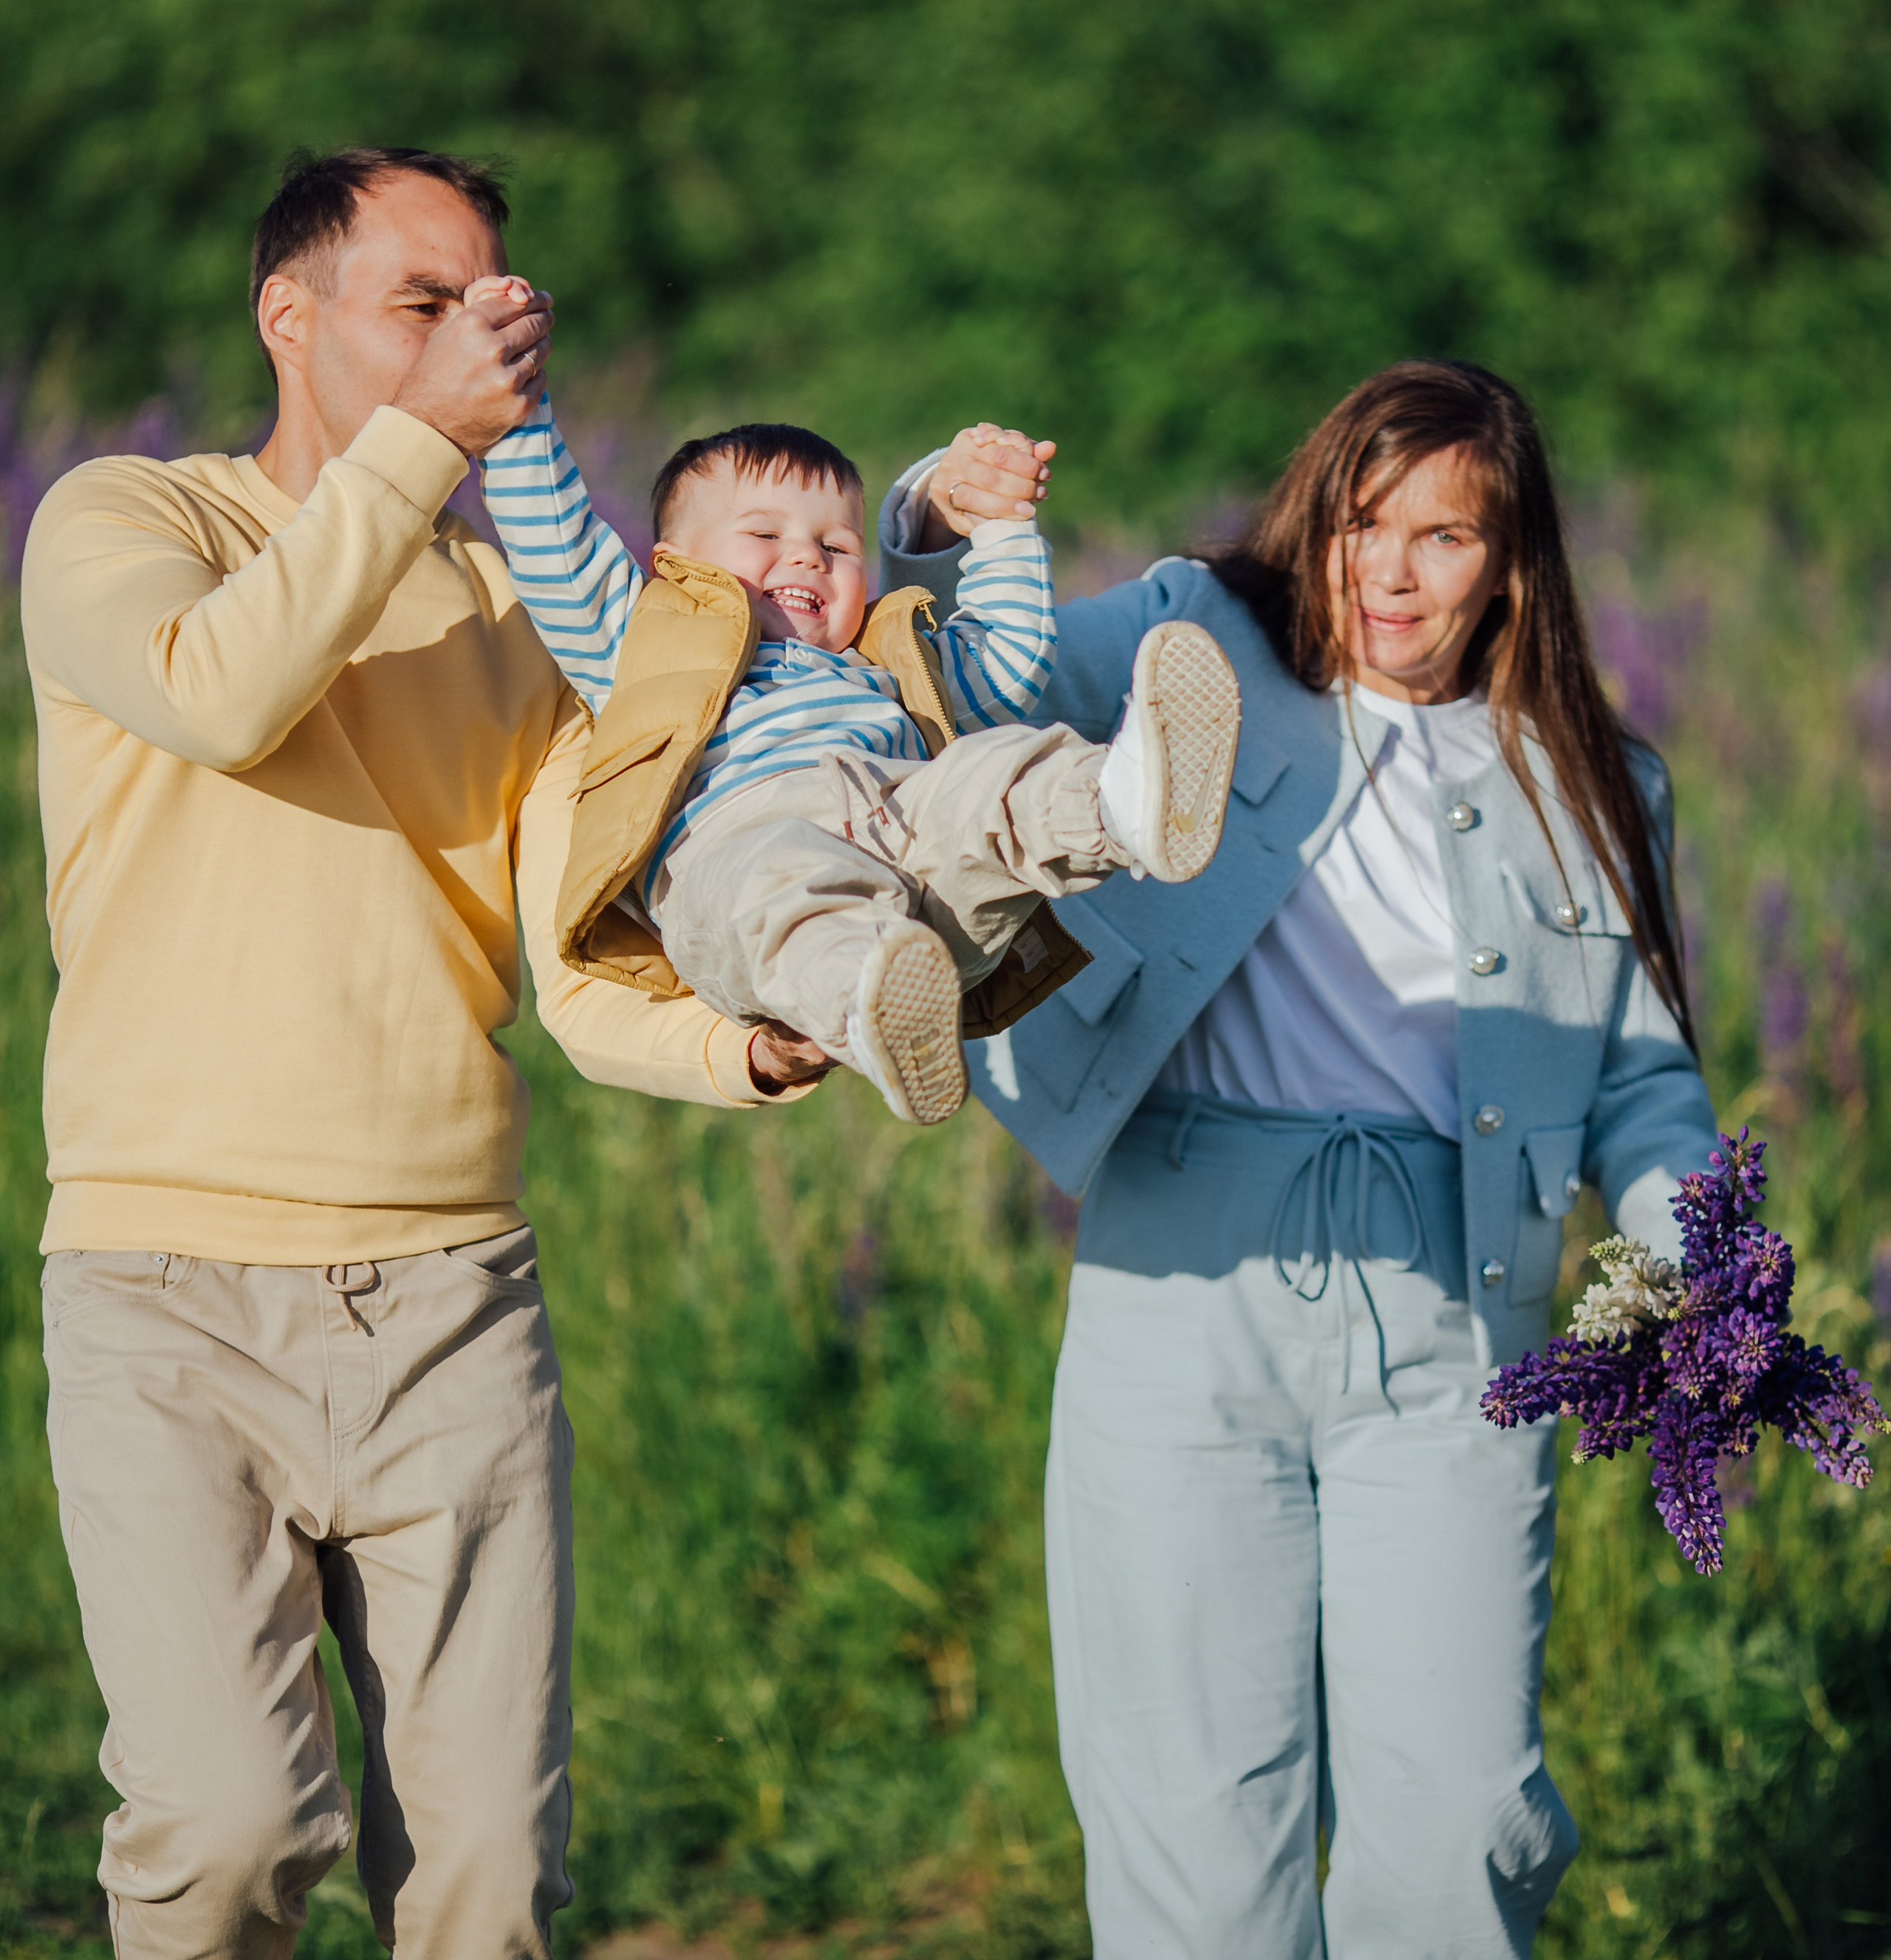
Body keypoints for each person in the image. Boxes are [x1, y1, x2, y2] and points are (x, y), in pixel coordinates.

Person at [17, 146, 850, 1960]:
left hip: (450, 1306)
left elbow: (579, 967)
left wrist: (754, 1047)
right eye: (422, 304)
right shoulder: (120, 523)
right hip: (166, 1299)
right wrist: (419, 448)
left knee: (487, 1887)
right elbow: (221, 691)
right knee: (229, 1835)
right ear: (285, 316)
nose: (476, 340)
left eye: (496, 305)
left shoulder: (516, 623)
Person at [880, 359, 1719, 1958]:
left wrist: (1698, 1249)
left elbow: (1634, 1074)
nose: (1389, 572)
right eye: (1361, 522)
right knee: (1194, 1816)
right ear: (1315, 520)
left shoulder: (1597, 787)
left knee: (1460, 1815)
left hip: (1459, 1314)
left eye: (1443, 537)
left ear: (1510, 562)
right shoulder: (1193, 638)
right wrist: (934, 513)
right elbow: (976, 684)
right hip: (1182, 1276)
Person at [471, 319, 1239, 1125]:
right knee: (784, 874)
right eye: (765, 534)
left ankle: (1122, 805)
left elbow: (1011, 666)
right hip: (744, 860)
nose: (807, 557)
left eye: (835, 545)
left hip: (917, 863)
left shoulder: (883, 661)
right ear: (673, 566)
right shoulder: (644, 640)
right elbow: (550, 533)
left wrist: (1006, 528)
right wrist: (512, 387)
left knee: (994, 768)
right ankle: (871, 996)